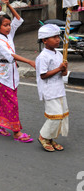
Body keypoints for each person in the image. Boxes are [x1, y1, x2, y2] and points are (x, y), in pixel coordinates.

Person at [0, 0, 35, 142]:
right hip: (3, 76)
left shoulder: (9, 35)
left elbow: (19, 20)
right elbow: (12, 55)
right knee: (12, 103)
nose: (9, 27)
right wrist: (29, 61)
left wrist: (9, 5)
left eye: (9, 25)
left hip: (11, 73)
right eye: (5, 25)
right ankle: (16, 132)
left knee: (5, 102)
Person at [36, 24, 68, 152]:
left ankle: (50, 138)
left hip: (59, 89)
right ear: (44, 40)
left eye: (58, 37)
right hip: (49, 90)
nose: (57, 39)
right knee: (54, 116)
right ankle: (43, 136)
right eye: (54, 37)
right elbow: (43, 75)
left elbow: (64, 74)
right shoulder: (42, 57)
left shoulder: (59, 55)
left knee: (62, 115)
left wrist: (64, 69)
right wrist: (59, 68)